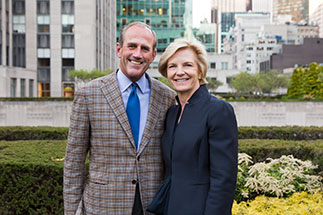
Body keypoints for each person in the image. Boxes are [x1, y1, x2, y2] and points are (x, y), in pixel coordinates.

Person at [63, 22, 175, 215]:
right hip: (102, 206)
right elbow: (74, 162)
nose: (137, 54)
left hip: (153, 206)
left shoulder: (167, 97)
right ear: (118, 49)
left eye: (145, 49)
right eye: (132, 46)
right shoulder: (89, 94)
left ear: (153, 55)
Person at [151, 38, 238, 215]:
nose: (179, 72)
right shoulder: (171, 114)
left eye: (187, 65)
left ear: (200, 71)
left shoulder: (218, 110)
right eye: (172, 66)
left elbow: (224, 180)